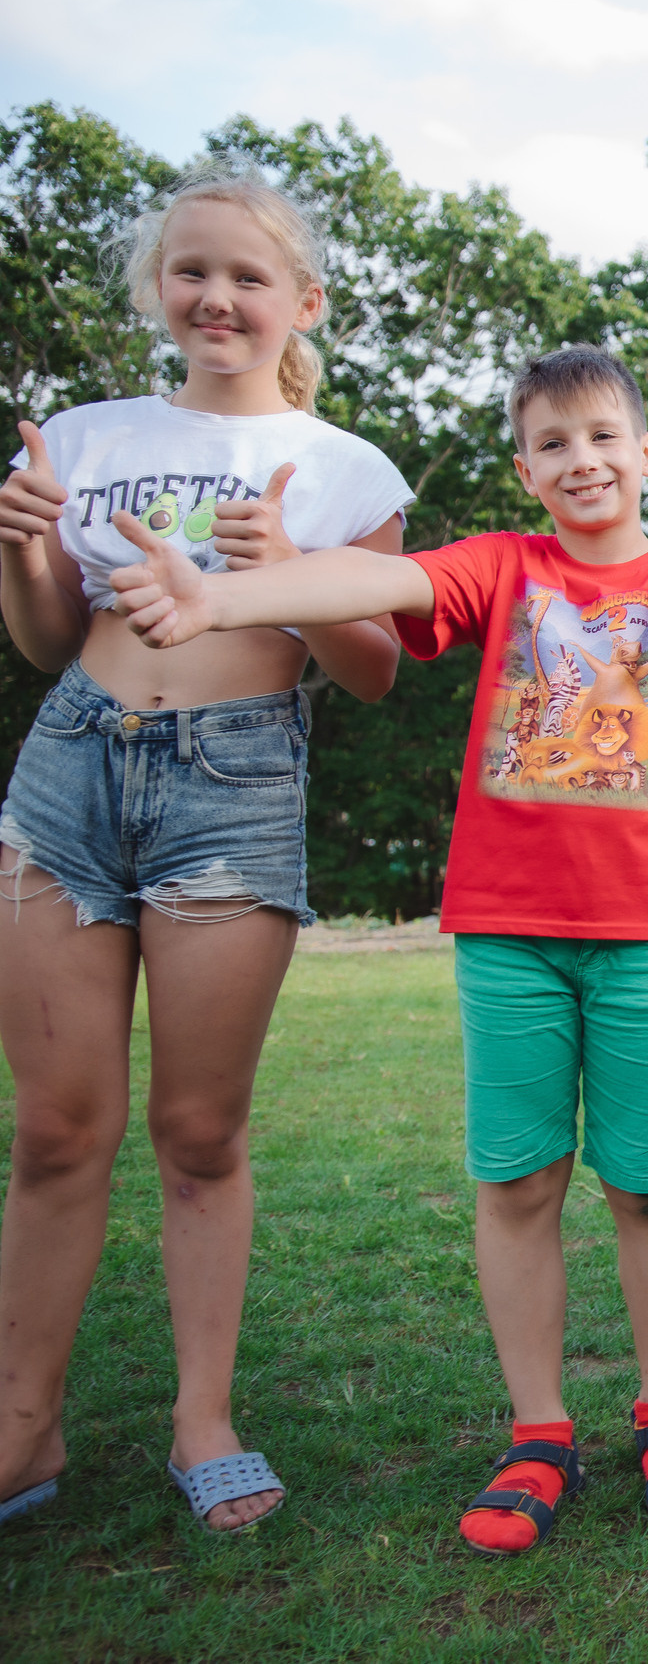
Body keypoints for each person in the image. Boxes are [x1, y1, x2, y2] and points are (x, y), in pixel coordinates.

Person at [107, 344, 648, 1555]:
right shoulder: (500, 570)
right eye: (553, 445)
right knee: (517, 1183)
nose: (582, 462)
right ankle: (539, 1427)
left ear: (646, 454)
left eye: (603, 438)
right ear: (526, 470)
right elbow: (376, 577)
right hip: (507, 936)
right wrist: (221, 597)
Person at [0, 165, 412, 1533]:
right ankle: (24, 1422)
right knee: (59, 1128)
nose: (216, 296)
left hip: (233, 781)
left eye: (247, 276)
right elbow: (55, 639)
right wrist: (19, 550)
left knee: (197, 1128)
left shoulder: (349, 468)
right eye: (192, 270)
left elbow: (372, 671)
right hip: (72, 762)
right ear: (157, 289)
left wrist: (282, 567)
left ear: (302, 302)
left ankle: (204, 1417)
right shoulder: (86, 433)